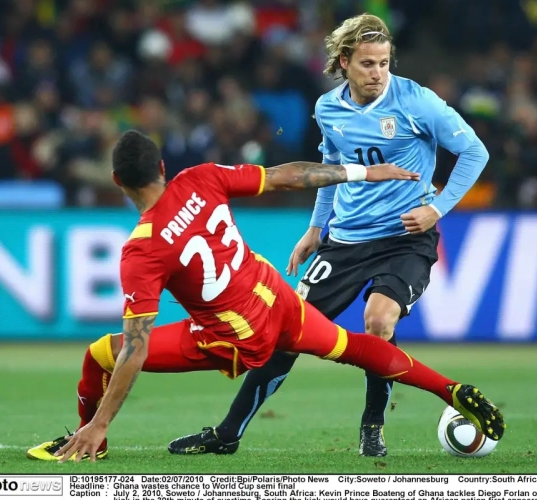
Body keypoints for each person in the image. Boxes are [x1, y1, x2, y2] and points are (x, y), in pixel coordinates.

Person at [26, 130, 504, 462]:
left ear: (118, 183)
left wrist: (103, 419)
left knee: (99, 355)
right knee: (354, 345)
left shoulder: (142, 248)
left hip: (236, 335)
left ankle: (92, 440)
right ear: (163, 168)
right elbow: (286, 175)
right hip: (277, 299)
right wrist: (361, 174)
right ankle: (452, 390)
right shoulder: (201, 177)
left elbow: (135, 346)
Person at [180, 13, 491, 458]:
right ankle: (227, 434)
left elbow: (474, 151)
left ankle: (372, 425)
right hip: (344, 241)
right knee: (287, 332)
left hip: (405, 237)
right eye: (367, 63)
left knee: (380, 320)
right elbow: (331, 172)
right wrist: (314, 228)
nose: (378, 73)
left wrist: (436, 208)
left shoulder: (417, 102)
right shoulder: (329, 109)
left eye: (384, 63)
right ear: (344, 62)